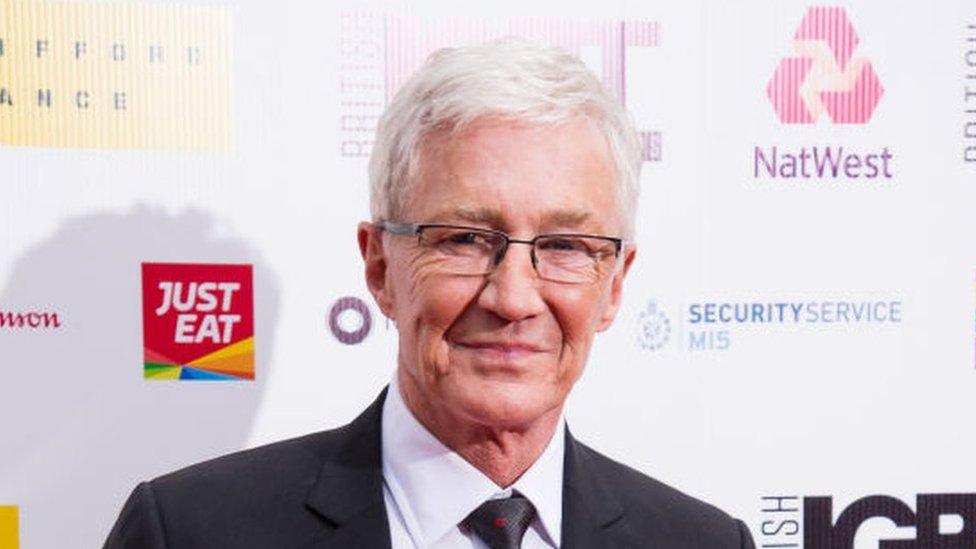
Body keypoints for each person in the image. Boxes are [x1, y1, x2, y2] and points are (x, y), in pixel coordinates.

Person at [105, 41, 755, 549]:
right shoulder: (192, 532)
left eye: (564, 245)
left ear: (614, 283)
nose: (514, 297)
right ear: (380, 265)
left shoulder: (703, 541)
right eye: (467, 238)